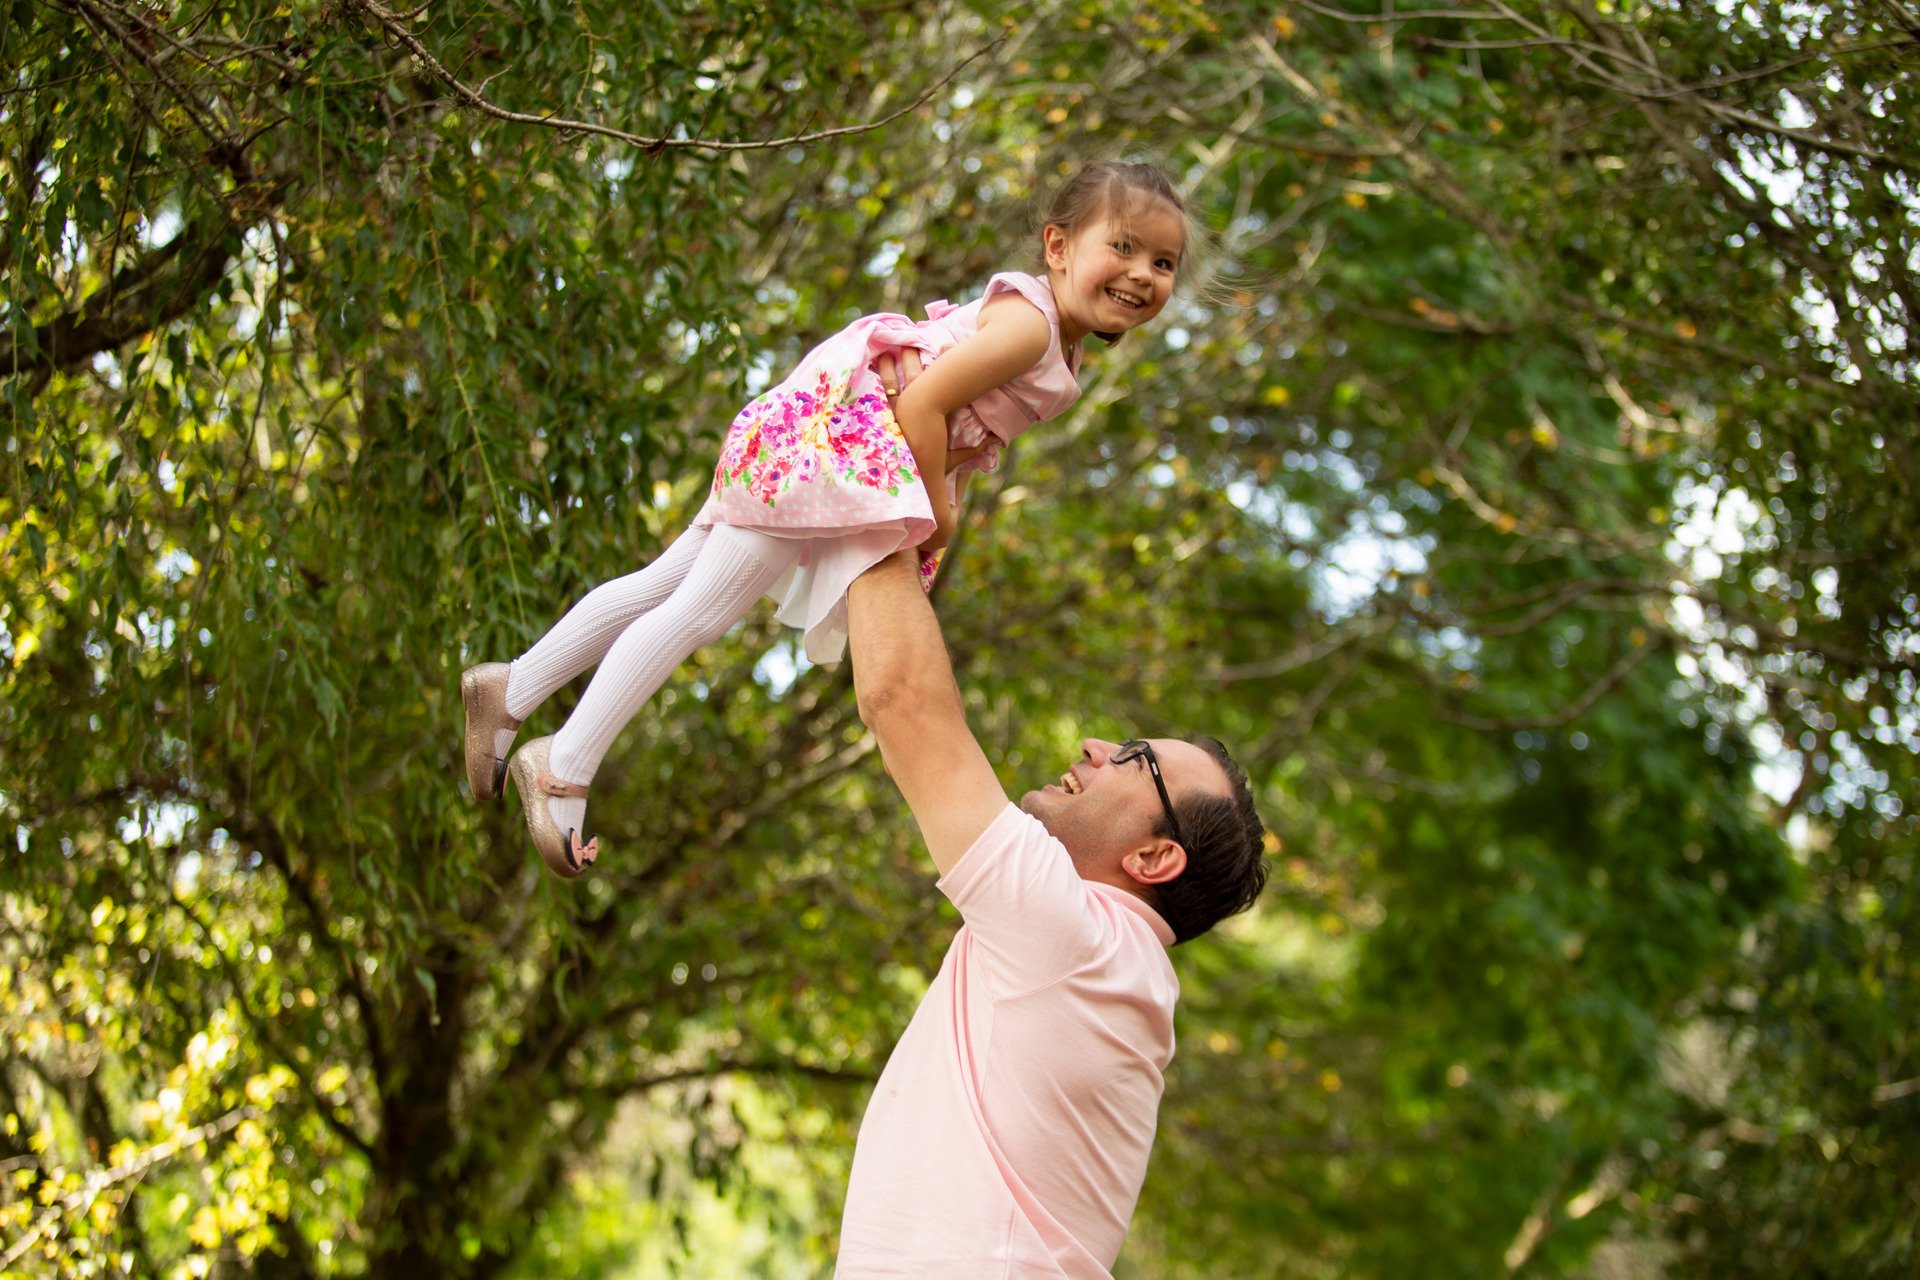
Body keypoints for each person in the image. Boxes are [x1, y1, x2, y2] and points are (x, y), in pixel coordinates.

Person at [460, 161, 1200, 878]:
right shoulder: (1031, 331)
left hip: (829, 435)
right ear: (1059, 246)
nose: (1142, 274)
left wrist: (944, 481)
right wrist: (940, 510)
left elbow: (952, 421)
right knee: (698, 610)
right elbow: (923, 403)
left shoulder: (1054, 340)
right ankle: (563, 764)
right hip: (834, 446)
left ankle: (511, 688)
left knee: (665, 583)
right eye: (1123, 247)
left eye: (1163, 263)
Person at [834, 546, 1269, 1278]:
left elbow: (902, 702)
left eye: (1136, 760)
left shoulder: (1081, 943)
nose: (1097, 747)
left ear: (1153, 858)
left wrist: (877, 499)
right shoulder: (1108, 961)